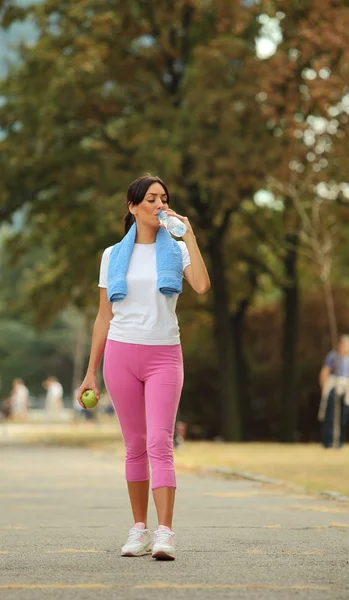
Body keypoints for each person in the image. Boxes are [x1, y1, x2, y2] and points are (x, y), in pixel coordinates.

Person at [77, 174, 210, 561]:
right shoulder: (112, 255)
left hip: (164, 354)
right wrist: (90, 371)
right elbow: (103, 318)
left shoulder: (177, 250)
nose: (159, 204)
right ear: (133, 207)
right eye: (151, 198)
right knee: (135, 446)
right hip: (120, 355)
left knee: (159, 443)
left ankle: (165, 533)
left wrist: (192, 238)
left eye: (164, 198)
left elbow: (201, 285)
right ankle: (139, 530)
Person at [318, 334, 349, 449]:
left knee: (342, 416)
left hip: (344, 387)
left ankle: (339, 441)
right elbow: (325, 372)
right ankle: (328, 441)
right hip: (334, 386)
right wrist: (324, 388)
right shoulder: (333, 356)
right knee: (331, 415)